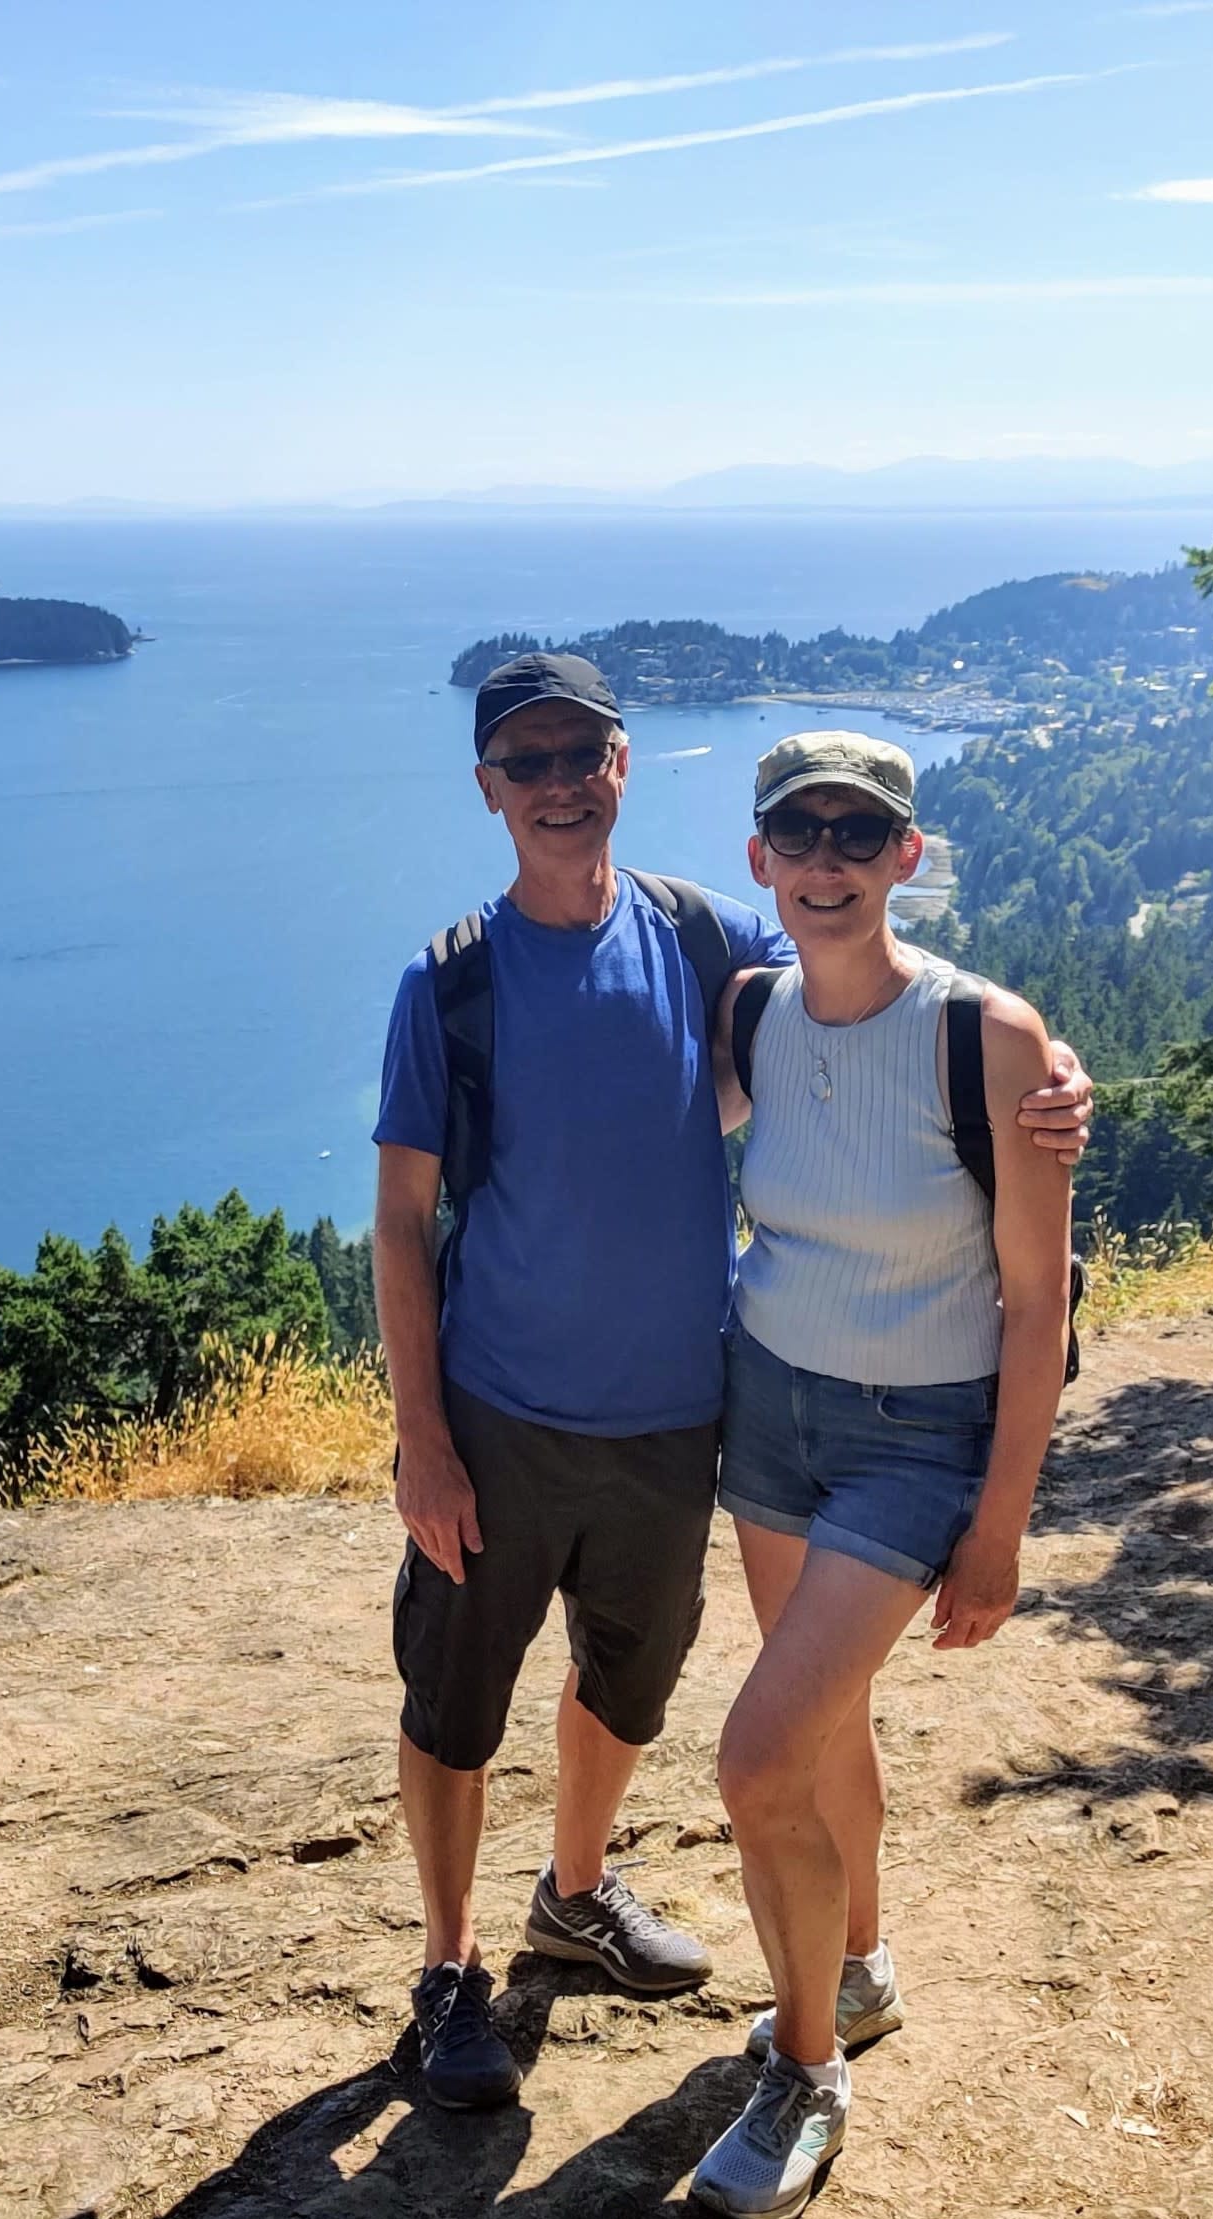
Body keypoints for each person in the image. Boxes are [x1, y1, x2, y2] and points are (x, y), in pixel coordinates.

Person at [373, 661, 1093, 2112]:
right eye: (527, 759)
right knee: (457, 1696)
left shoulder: (705, 939)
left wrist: (1049, 1076)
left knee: (624, 1686)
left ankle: (575, 1893)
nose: (559, 778)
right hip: (508, 1407)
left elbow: (858, 1009)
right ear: (489, 788)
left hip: (679, 1418)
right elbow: (401, 1218)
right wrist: (421, 1438)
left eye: (582, 749)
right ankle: (450, 1968)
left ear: (623, 766)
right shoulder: (449, 981)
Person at [685, 732, 1076, 2219]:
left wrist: (999, 1527)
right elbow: (621, 1111)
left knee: (752, 1756)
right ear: (760, 859)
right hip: (768, 1412)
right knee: (819, 1711)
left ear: (907, 857)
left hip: (920, 1439)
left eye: (861, 833)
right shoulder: (751, 1015)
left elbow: (1034, 1304)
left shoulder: (984, 1037)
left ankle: (799, 2074)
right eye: (800, 832)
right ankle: (855, 1968)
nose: (829, 859)